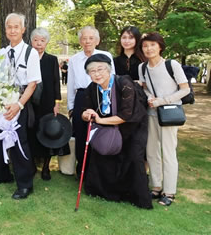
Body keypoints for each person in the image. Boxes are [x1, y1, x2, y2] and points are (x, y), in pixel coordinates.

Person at [81, 54, 151, 208]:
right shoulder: (92, 88)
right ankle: (104, 191)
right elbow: (85, 111)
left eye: (100, 69)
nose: (97, 74)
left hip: (132, 127)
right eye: (92, 71)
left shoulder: (124, 82)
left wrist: (100, 120)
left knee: (133, 157)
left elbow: (126, 115)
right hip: (109, 127)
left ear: (109, 69)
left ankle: (136, 197)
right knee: (102, 154)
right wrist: (87, 115)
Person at [0, 13, 41, 200]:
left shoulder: (30, 53)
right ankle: (2, 175)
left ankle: (25, 185)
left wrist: (18, 105)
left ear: (23, 29)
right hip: (0, 106)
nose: (12, 30)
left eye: (16, 27)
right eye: (9, 27)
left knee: (19, 144)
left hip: (20, 105)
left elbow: (32, 84)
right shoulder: (0, 54)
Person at [138, 32, 190, 207]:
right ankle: (157, 186)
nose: (149, 48)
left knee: (168, 153)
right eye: (145, 46)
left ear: (160, 46)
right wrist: (149, 97)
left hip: (168, 114)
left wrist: (162, 100)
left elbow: (185, 90)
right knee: (151, 151)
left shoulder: (171, 64)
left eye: (152, 45)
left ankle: (169, 192)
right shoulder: (142, 67)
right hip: (151, 114)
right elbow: (145, 89)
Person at [67, 26, 114, 180]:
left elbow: (112, 78)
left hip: (101, 95)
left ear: (97, 40)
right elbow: (70, 84)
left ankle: (99, 170)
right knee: (81, 135)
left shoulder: (105, 55)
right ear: (80, 41)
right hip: (81, 96)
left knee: (100, 132)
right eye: (84, 38)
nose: (87, 41)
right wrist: (71, 107)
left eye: (91, 38)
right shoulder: (74, 59)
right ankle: (82, 170)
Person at [28, 28, 68, 180]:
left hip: (47, 101)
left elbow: (56, 82)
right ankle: (31, 165)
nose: (39, 44)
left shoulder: (51, 60)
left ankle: (46, 167)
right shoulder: (27, 58)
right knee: (30, 132)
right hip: (29, 102)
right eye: (36, 40)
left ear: (46, 42)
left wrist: (56, 102)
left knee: (47, 132)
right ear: (31, 41)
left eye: (42, 41)